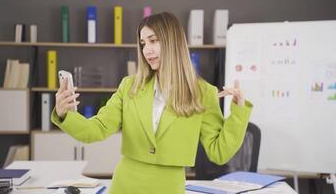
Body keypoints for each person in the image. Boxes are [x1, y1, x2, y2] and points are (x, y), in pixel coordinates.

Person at [52, 12, 252, 194]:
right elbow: (95, 130)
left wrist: (239, 111)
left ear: (172, 42)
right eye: (143, 43)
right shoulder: (130, 86)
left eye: (153, 40)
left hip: (169, 187)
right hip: (125, 185)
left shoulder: (203, 93)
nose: (147, 50)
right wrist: (64, 114)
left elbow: (219, 153)